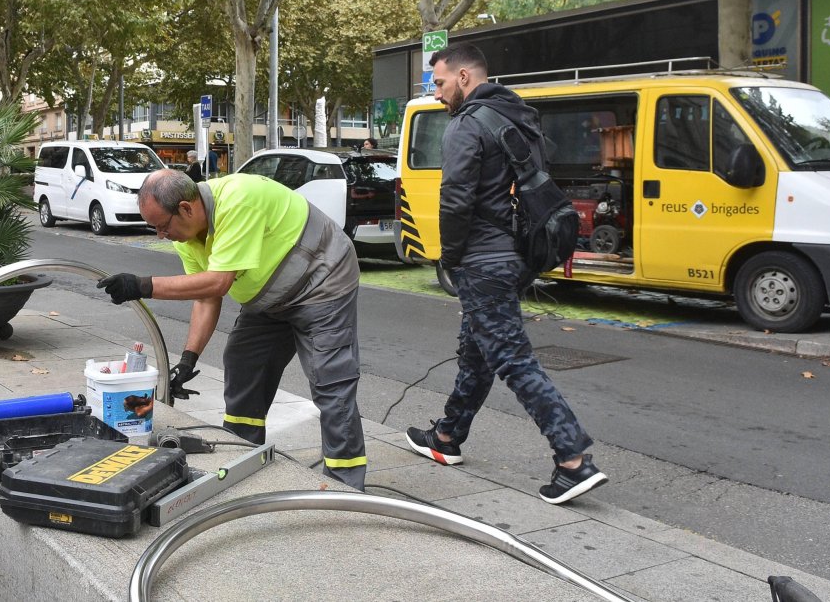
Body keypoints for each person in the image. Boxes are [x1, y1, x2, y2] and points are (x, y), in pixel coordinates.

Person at [404, 43, 607, 505]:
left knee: (512, 359)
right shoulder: (520, 118)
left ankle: (573, 459)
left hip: (482, 260)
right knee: (476, 350)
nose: (435, 94)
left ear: (463, 77)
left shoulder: (466, 125)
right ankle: (447, 437)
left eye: (438, 83)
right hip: (516, 255)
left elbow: (456, 198)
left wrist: (451, 258)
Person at [96, 170, 367, 490]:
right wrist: (188, 359)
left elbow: (218, 281)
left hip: (322, 283)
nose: (160, 235)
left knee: (329, 380)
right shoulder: (187, 234)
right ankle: (245, 454)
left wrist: (142, 285)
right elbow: (206, 296)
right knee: (242, 364)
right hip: (270, 298)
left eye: (162, 226)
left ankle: (344, 484)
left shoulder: (239, 201)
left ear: (186, 208)